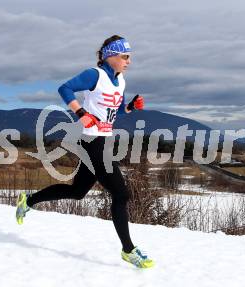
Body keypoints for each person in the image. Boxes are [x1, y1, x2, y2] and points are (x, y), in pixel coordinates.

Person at [15, 35, 154, 268]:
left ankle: (28, 200)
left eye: (129, 57)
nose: (129, 61)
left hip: (101, 141)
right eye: (125, 56)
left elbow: (115, 112)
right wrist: (81, 113)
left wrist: (130, 107)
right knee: (121, 195)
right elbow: (65, 88)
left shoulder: (121, 81)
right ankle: (128, 250)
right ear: (111, 55)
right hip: (92, 142)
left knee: (78, 191)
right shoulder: (94, 75)